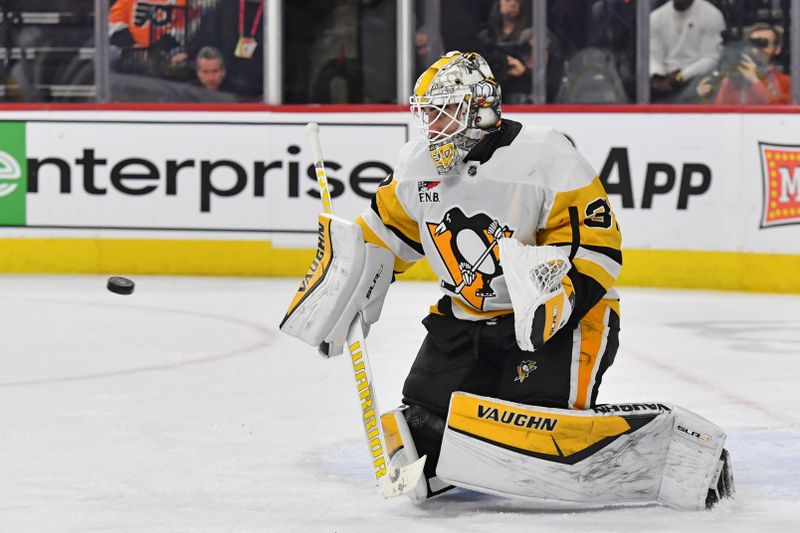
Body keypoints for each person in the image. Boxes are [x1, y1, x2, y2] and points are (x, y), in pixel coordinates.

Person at [281, 51, 734, 510]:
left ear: (481, 107)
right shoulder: (416, 165)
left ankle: (662, 442)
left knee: (534, 422)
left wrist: (553, 306)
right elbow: (380, 238)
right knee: (424, 421)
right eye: (428, 115)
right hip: (465, 319)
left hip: (559, 326)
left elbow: (597, 248)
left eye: (445, 112)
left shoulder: (547, 155)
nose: (433, 127)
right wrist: (342, 293)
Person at [650, 0, 726, 102]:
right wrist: (657, 76)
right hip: (665, 81)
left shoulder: (711, 15)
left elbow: (710, 58)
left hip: (698, 79)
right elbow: (653, 55)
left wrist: (681, 76)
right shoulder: (655, 17)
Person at [699, 23, 791, 104]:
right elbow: (719, 115)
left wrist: (754, 80)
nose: (757, 50)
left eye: (763, 44)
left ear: (777, 49)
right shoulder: (732, 81)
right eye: (753, 44)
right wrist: (705, 98)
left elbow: (781, 116)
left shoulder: (787, 83)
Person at [477, 0, 534, 103]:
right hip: (490, 96)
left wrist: (524, 72)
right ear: (498, 3)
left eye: (517, 1)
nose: (512, 4)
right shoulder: (485, 37)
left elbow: (544, 79)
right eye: (507, 0)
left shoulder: (530, 37)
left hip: (522, 96)